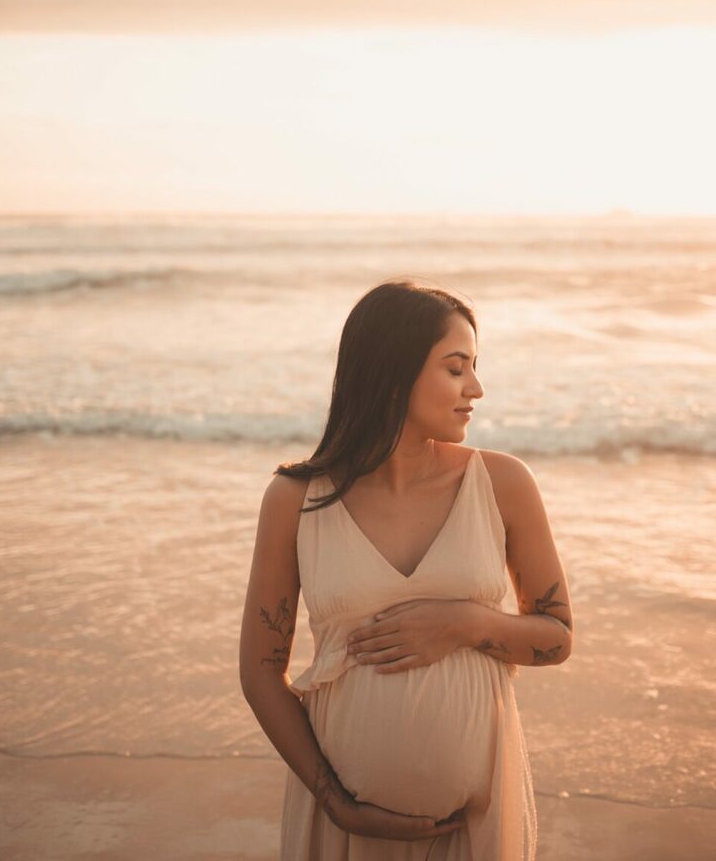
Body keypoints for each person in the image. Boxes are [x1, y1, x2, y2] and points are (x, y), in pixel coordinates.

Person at [239, 278, 574, 860]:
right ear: (393, 372)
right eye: (456, 368)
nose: (476, 388)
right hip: (344, 830)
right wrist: (334, 801)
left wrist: (465, 623)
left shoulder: (502, 483)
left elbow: (557, 638)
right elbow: (261, 673)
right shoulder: (296, 499)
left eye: (474, 367)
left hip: (475, 827)